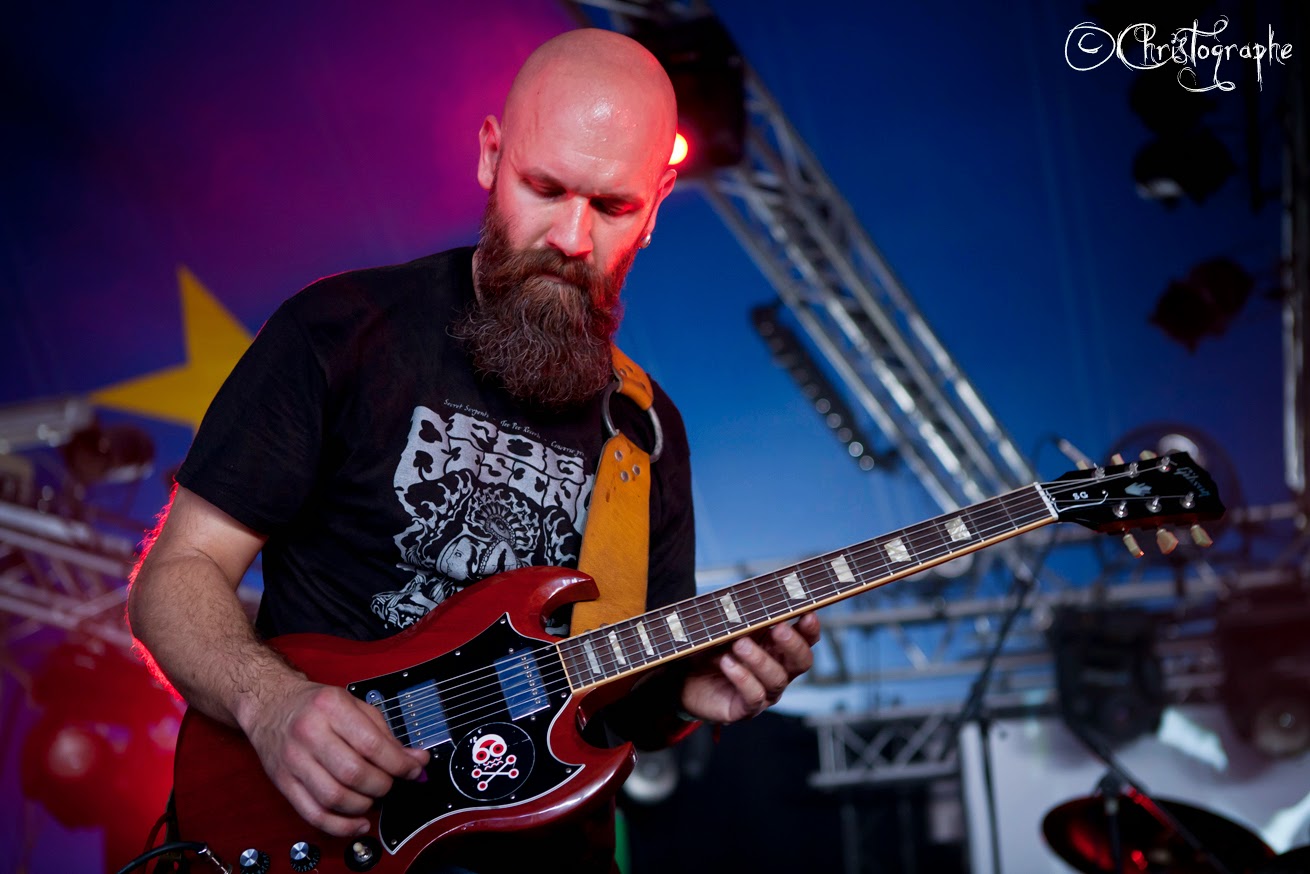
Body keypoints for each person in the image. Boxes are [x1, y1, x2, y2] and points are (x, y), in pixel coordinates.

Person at [127, 27, 820, 874]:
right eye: (545, 186)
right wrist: (271, 703)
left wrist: (685, 694)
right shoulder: (342, 332)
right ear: (492, 156)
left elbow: (615, 698)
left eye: (612, 207)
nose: (571, 237)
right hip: (320, 840)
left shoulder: (646, 434)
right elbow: (178, 573)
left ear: (661, 199)